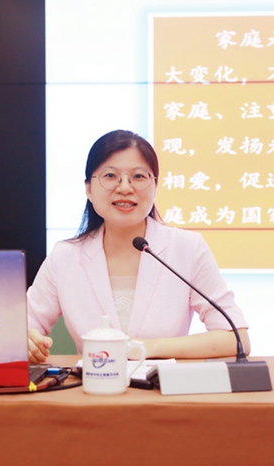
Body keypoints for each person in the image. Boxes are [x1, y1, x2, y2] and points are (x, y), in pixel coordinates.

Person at [27, 129, 250, 364]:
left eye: (139, 176)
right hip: (93, 385)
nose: (125, 187)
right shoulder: (65, 257)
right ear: (89, 189)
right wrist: (27, 341)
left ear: (155, 186)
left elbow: (236, 339)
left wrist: (143, 348)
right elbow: (20, 330)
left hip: (164, 385)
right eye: (110, 176)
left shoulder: (187, 248)